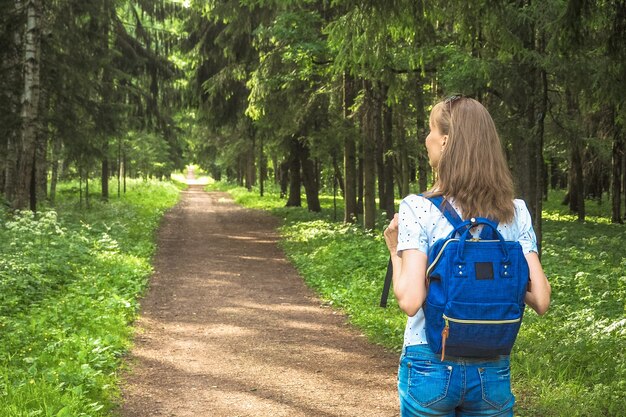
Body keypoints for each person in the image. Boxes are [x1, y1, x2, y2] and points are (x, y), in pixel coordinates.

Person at [383, 96, 551, 417]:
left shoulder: (418, 207)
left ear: (445, 141)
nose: (426, 139)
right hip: (492, 370)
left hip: (430, 360)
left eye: (430, 130)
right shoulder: (515, 213)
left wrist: (394, 251)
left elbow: (410, 300)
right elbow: (540, 299)